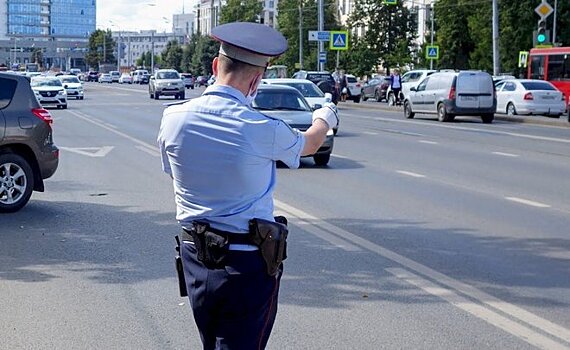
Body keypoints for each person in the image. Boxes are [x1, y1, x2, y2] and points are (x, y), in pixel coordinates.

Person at [157, 22, 338, 350]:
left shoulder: (173, 117)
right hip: (245, 267)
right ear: (256, 80)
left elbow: (174, 172)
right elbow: (310, 144)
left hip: (195, 259)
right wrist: (326, 116)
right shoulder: (261, 127)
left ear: (215, 66)